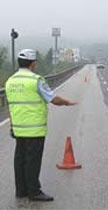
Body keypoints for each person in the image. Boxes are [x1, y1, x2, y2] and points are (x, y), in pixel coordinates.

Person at [5, 49, 77, 201]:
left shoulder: (10, 81)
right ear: (33, 64)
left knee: (20, 159)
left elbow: (11, 105)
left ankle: (21, 190)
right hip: (34, 129)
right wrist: (67, 102)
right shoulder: (36, 80)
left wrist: (12, 126)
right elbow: (52, 98)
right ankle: (34, 191)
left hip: (18, 128)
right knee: (32, 160)